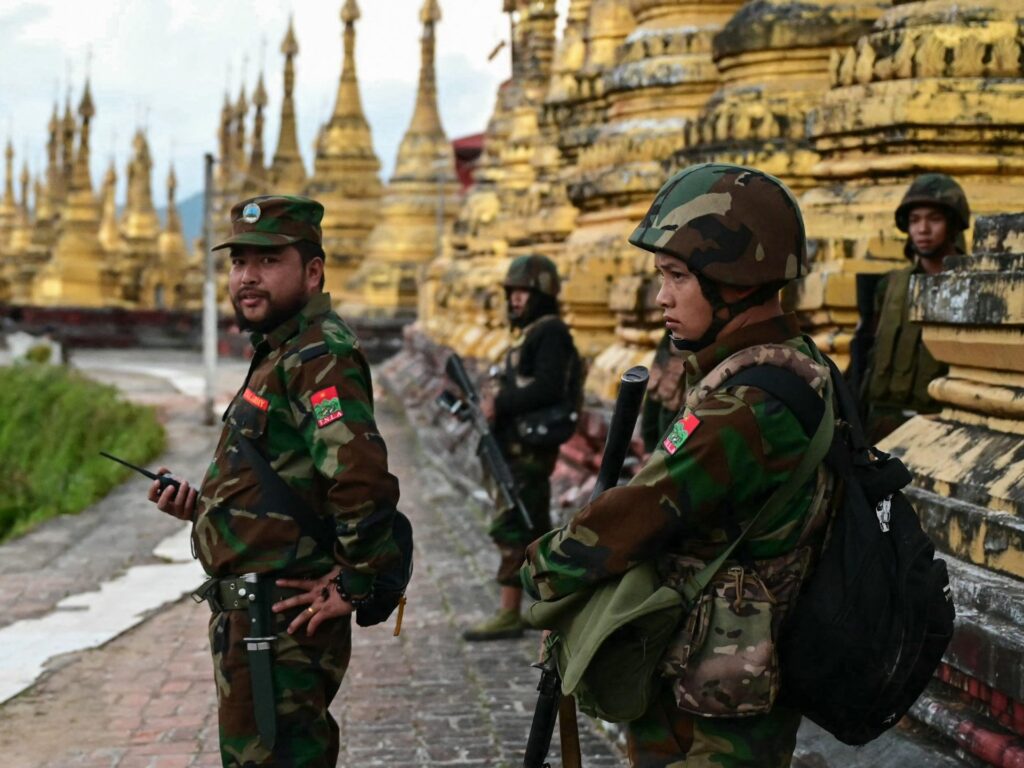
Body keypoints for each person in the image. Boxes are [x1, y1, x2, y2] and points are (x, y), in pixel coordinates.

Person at [522, 163, 838, 767]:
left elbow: (640, 513)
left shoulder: (749, 405)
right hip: (715, 658)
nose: (660, 296)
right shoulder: (791, 363)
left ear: (733, 282)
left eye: (676, 277)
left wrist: (541, 569)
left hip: (719, 697)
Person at [148, 195, 401, 767]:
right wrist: (204, 508)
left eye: (267, 262)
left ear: (313, 272)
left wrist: (354, 583)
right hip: (253, 618)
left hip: (280, 623)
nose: (247, 278)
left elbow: (361, 480)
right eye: (239, 263)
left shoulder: (318, 355)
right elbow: (292, 477)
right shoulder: (282, 351)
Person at [463, 254, 581, 642]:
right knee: (530, 529)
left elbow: (549, 387)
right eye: (511, 293)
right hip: (515, 448)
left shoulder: (550, 333)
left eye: (523, 293)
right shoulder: (532, 333)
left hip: (528, 450)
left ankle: (512, 612)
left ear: (542, 293)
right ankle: (548, 611)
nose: (515, 300)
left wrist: (502, 402)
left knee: (515, 526)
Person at [862, 173, 970, 441]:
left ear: (953, 225)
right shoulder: (890, 286)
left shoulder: (971, 287)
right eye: (914, 220)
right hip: (879, 427)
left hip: (940, 429)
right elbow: (866, 352)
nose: (922, 229)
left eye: (934, 219)